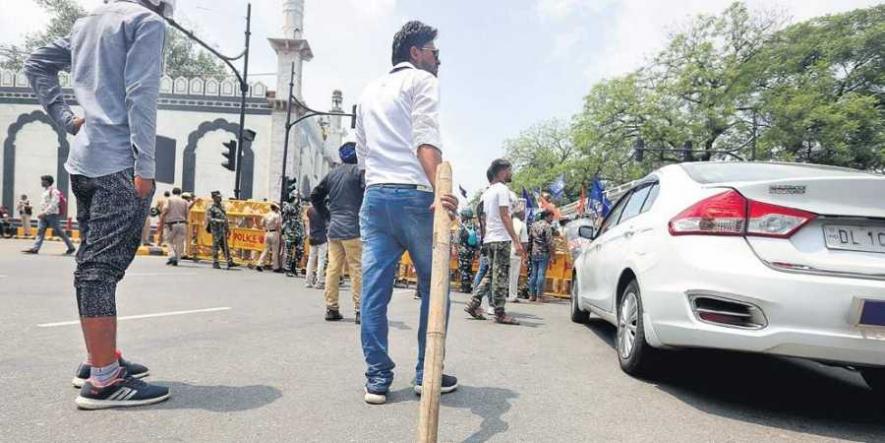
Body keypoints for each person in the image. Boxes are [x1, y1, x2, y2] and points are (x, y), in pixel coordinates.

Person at [24, 0, 175, 409]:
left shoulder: (87, 21)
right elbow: (141, 94)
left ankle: (99, 360)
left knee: (91, 266)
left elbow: (35, 63)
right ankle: (106, 380)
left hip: (84, 163)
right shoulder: (147, 22)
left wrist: (66, 118)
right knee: (100, 270)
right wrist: (145, 165)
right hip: (119, 164)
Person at [355, 20, 459, 405]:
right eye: (435, 52)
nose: (439, 61)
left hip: (376, 197)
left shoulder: (368, 92)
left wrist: (378, 187)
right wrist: (441, 190)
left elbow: (362, 155)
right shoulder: (421, 82)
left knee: (374, 292)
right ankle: (425, 372)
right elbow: (425, 139)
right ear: (416, 53)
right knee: (435, 288)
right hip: (415, 196)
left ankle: (377, 379)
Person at [464, 159, 524, 325]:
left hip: (490, 239)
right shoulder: (502, 190)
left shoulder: (487, 193)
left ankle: (474, 302)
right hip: (500, 239)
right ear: (502, 171)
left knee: (491, 274)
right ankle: (500, 313)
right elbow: (505, 215)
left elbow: (482, 219)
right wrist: (516, 240)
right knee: (500, 276)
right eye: (509, 170)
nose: (511, 173)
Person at [311, 142, 365, 323]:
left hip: (334, 228)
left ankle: (331, 308)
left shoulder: (332, 174)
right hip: (354, 228)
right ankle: (359, 309)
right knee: (356, 268)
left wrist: (327, 215)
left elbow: (315, 195)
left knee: (333, 268)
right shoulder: (360, 173)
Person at [21, 175, 76, 255]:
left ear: (47, 182)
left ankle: (71, 247)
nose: (41, 182)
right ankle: (35, 249)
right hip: (44, 215)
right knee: (40, 231)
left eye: (43, 181)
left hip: (52, 215)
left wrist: (44, 213)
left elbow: (54, 204)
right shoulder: (45, 191)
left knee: (59, 232)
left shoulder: (54, 191)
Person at [529, 209, 556, 302]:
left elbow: (530, 240)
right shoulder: (547, 226)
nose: (552, 219)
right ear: (547, 216)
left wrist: (528, 252)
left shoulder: (533, 225)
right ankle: (539, 296)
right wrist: (553, 254)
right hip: (543, 252)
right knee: (541, 274)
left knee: (534, 274)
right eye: (551, 216)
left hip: (534, 252)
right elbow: (550, 242)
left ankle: (532, 295)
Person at [207, 191, 236, 270]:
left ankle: (229, 261)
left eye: (220, 197)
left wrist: (228, 228)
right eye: (218, 197)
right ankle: (215, 262)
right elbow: (209, 219)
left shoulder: (222, 206)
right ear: (214, 198)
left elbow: (225, 218)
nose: (220, 198)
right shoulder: (211, 207)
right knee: (215, 246)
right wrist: (219, 221)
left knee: (225, 246)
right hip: (216, 230)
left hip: (223, 229)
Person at [508, 196, 528, 303]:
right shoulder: (522, 225)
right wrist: (525, 254)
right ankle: (512, 296)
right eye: (523, 213)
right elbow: (524, 242)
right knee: (514, 275)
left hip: (506, 251)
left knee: (503, 274)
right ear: (519, 214)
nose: (524, 214)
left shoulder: (508, 222)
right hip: (516, 252)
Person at [161, 188, 188, 266]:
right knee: (179, 242)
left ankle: (172, 256)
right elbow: (186, 213)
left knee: (168, 241)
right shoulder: (184, 201)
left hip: (171, 224)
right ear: (180, 193)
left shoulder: (169, 199)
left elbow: (166, 209)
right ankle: (177, 258)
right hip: (182, 223)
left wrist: (162, 217)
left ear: (172, 192)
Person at [281, 190, 305, 277]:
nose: (300, 200)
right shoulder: (287, 206)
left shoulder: (300, 207)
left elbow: (301, 219)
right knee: (289, 251)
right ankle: (288, 268)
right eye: (298, 198)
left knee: (299, 250)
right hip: (289, 230)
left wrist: (303, 232)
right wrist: (283, 230)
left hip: (298, 231)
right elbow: (284, 217)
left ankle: (294, 266)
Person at [304, 204, 328, 289]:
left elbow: (307, 222)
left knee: (311, 259)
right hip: (322, 237)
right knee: (321, 260)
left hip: (312, 237)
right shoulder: (324, 210)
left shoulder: (309, 210)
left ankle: (308, 281)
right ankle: (319, 281)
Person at [456, 208, 479, 293]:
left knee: (463, 269)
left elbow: (457, 239)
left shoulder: (462, 226)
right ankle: (468, 286)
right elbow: (477, 239)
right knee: (469, 268)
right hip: (471, 251)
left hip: (463, 250)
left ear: (464, 216)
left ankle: (464, 287)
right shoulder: (474, 226)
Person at [256, 203, 282, 272]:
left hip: (267, 232)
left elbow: (262, 224)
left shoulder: (266, 215)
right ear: (276, 208)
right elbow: (278, 225)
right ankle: (275, 267)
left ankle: (259, 264)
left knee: (265, 249)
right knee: (275, 251)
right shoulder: (277, 216)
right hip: (274, 232)